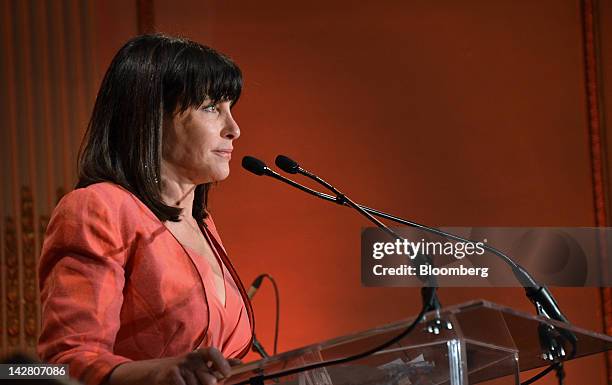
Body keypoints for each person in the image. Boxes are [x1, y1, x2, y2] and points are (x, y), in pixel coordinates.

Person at [37, 34, 254, 385]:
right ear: (152, 116)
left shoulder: (203, 224)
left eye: (231, 109)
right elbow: (64, 363)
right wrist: (156, 373)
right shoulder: (99, 208)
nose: (234, 129)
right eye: (212, 107)